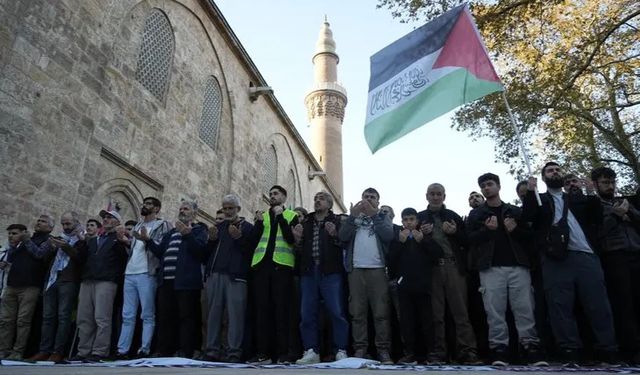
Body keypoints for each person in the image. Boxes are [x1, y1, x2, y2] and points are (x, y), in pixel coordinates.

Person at [522, 162, 619, 365]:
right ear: (543, 177)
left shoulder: (576, 199)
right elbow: (528, 220)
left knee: (599, 306)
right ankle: (569, 350)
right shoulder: (540, 200)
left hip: (586, 256)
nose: (555, 172)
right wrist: (531, 193)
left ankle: (607, 351)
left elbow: (596, 218)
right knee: (559, 307)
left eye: (557, 170)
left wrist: (591, 194)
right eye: (550, 170)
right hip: (555, 258)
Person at [466, 173, 545, 366]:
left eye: (490, 184)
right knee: (494, 311)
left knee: (525, 308)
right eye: (483, 185)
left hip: (518, 265)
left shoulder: (514, 210)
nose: (486, 188)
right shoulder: (476, 214)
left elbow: (530, 235)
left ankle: (530, 347)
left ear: (499, 186)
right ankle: (499, 349)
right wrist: (487, 231)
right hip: (490, 267)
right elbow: (469, 240)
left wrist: (515, 229)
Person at [418, 183, 481, 365]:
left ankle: (467, 351)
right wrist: (423, 236)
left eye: (439, 194)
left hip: (454, 268)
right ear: (427, 195)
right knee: (436, 314)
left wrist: (454, 233)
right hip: (432, 270)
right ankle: (439, 352)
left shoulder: (453, 216)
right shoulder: (421, 217)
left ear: (444, 196)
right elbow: (414, 246)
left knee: (461, 312)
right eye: (432, 194)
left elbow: (468, 241)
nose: (436, 197)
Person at [146, 200, 209, 358]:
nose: (182, 211)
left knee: (186, 317)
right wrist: (147, 240)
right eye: (180, 209)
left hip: (186, 282)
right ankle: (164, 349)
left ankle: (185, 350)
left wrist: (188, 235)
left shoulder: (199, 230)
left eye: (186, 209)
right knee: (165, 316)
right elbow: (161, 252)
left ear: (194, 213)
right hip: (166, 281)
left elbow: (201, 253)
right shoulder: (171, 232)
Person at [338, 188, 394, 364]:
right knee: (357, 313)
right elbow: (342, 236)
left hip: (377, 269)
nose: (368, 200)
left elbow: (388, 235)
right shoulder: (352, 219)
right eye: (365, 197)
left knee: (381, 313)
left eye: (372, 198)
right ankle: (360, 349)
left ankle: (383, 350)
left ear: (378, 202)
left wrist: (375, 216)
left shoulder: (383, 217)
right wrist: (353, 218)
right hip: (356, 270)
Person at [293, 192, 349, 364]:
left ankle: (340, 349)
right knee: (307, 312)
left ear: (330, 204)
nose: (317, 201)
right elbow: (300, 249)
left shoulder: (338, 221)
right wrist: (297, 239)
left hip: (330, 272)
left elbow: (344, 244)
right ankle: (311, 350)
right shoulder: (306, 221)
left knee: (336, 312)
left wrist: (335, 235)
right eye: (316, 198)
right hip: (309, 272)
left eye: (322, 199)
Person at [592, 167, 640, 363]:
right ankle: (632, 349)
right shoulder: (594, 206)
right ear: (596, 185)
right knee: (624, 304)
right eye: (605, 182)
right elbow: (597, 234)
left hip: (636, 253)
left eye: (612, 182)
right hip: (614, 257)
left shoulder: (624, 202)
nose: (609, 186)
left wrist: (629, 213)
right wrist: (616, 216)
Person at [115, 197, 171, 359]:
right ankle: (122, 350)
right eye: (143, 203)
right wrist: (126, 241)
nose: (144, 206)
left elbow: (161, 248)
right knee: (128, 314)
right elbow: (136, 248)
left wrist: (148, 239)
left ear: (156, 208)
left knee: (147, 313)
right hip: (130, 272)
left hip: (147, 272)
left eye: (148, 204)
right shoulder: (138, 225)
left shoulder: (162, 225)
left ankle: (144, 348)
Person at [249, 185, 299, 364]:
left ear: (284, 198)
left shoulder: (291, 216)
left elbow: (290, 239)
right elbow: (254, 241)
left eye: (276, 194)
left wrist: (280, 217)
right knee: (262, 311)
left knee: (281, 311)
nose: (272, 196)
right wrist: (258, 223)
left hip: (282, 267)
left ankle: (282, 354)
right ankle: (263, 353)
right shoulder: (262, 217)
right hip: (262, 267)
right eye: (270, 194)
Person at [73, 209, 129, 362]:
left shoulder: (118, 240)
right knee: (84, 318)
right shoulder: (93, 239)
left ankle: (99, 351)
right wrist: (82, 242)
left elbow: (124, 259)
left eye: (110, 217)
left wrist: (120, 239)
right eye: (105, 217)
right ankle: (83, 351)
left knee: (101, 318)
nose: (106, 219)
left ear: (117, 222)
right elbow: (82, 259)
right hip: (88, 280)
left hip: (106, 281)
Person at [203, 194, 254, 363]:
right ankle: (212, 351)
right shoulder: (218, 227)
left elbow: (250, 252)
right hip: (215, 274)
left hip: (236, 277)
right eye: (224, 208)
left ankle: (234, 352)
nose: (227, 211)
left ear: (238, 209)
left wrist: (238, 237)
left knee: (235, 316)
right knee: (213, 315)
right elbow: (207, 254)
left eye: (230, 208)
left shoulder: (248, 227)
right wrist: (210, 240)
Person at [389, 208, 442, 365]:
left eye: (412, 219)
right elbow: (390, 261)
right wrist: (400, 243)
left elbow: (438, 254)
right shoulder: (398, 238)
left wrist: (424, 240)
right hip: (404, 287)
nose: (409, 222)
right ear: (402, 222)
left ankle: (431, 353)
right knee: (406, 321)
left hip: (423, 286)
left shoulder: (423, 236)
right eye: (405, 220)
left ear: (417, 221)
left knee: (427, 320)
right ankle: (409, 353)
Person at [29, 212, 84, 363]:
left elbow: (81, 259)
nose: (65, 227)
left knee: (63, 317)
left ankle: (58, 351)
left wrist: (66, 247)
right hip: (52, 279)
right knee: (47, 317)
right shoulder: (58, 238)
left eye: (68, 224)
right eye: (63, 224)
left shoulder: (81, 238)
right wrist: (52, 249)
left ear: (76, 222)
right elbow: (44, 259)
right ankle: (44, 350)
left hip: (69, 280)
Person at [0, 218, 51, 360]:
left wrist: (27, 240)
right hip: (12, 285)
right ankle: (3, 349)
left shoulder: (48, 240)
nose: (39, 222)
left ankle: (18, 351)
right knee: (5, 320)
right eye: (38, 220)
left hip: (30, 286)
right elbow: (13, 259)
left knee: (23, 321)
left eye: (43, 221)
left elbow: (39, 254)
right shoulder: (20, 243)